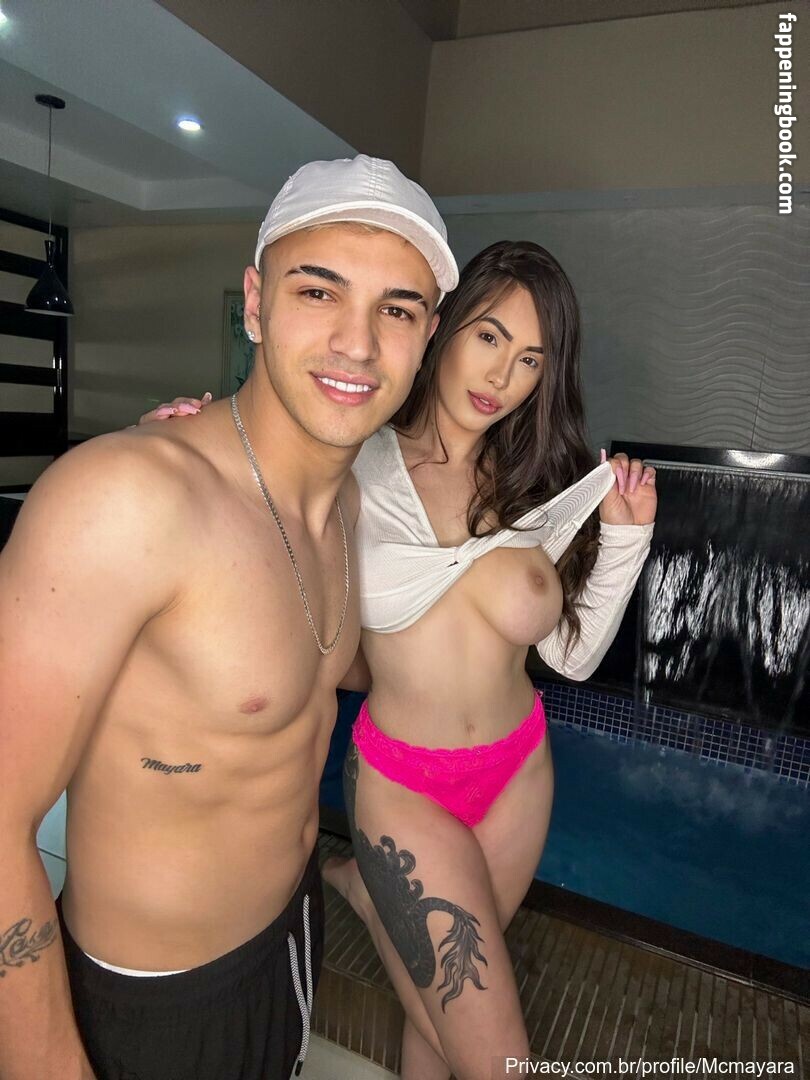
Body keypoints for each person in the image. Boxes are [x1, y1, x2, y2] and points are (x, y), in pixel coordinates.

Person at [142, 240, 657, 1079]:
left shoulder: (537, 485)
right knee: (494, 1054)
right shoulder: (354, 462)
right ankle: (361, 885)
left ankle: (362, 890)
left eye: (532, 359)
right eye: (489, 338)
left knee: (435, 1023)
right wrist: (183, 444)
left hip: (518, 771)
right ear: (443, 327)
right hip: (404, 784)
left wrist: (629, 536)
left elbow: (570, 656)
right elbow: (247, 510)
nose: (504, 376)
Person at [0, 154, 458, 1080]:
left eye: (397, 310)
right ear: (254, 304)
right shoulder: (125, 500)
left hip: (286, 937)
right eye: (318, 292)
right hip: (152, 1004)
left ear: (427, 337)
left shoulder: (349, 507)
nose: (358, 344)